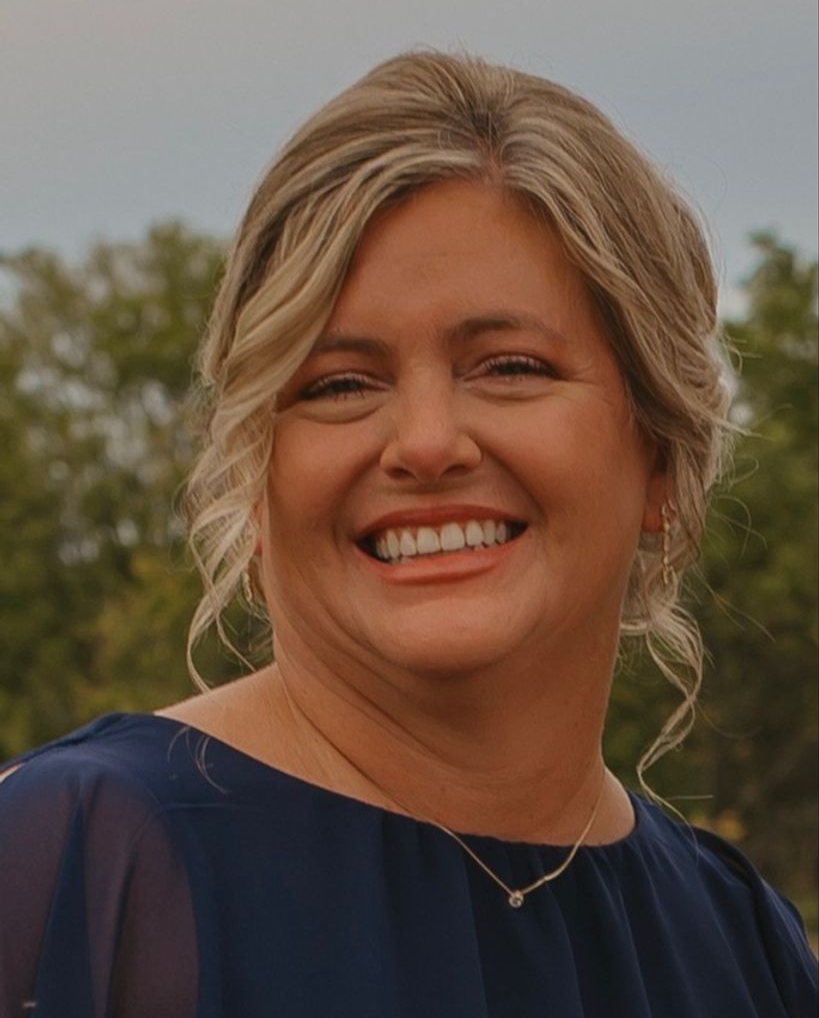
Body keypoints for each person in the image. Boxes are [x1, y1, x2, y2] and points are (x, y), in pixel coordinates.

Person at [0, 51, 816, 1018]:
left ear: (661, 455)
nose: (425, 444)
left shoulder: (744, 951)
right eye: (340, 384)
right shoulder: (75, 864)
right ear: (255, 473)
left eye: (509, 366)